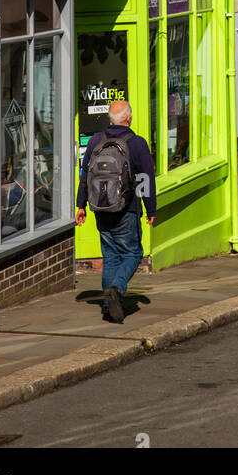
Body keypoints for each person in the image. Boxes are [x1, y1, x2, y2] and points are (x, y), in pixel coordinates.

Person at [76, 100, 155, 323]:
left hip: (100, 208)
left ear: (110, 119)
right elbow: (145, 179)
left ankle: (107, 306)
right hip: (126, 208)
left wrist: (80, 205)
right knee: (133, 253)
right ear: (128, 119)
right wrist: (150, 208)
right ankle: (116, 289)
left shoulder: (95, 141)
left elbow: (85, 176)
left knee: (110, 255)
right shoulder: (137, 144)